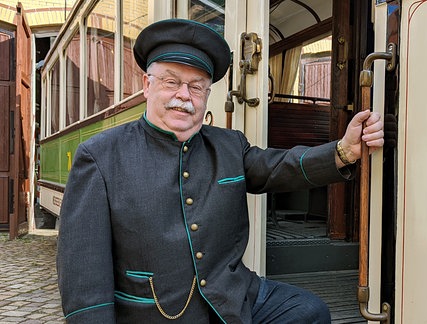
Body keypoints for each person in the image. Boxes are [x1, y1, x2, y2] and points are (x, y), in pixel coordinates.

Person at [57, 19, 386, 323]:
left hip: (233, 296)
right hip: (155, 313)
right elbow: (84, 275)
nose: (184, 96)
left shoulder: (228, 144)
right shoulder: (100, 156)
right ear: (147, 84)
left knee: (309, 313)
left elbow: (277, 167)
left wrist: (345, 150)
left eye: (196, 87)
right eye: (172, 82)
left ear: (207, 95)